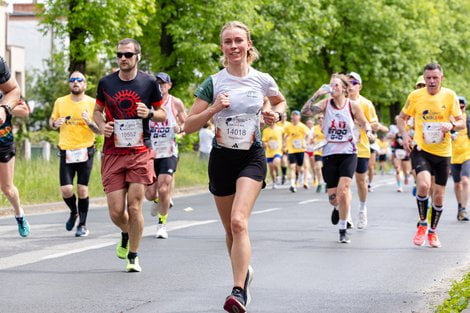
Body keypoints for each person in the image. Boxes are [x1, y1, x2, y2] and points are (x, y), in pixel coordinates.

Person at [184, 21, 286, 313]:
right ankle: (245, 273)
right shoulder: (213, 83)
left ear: (248, 44)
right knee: (230, 229)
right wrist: (214, 108)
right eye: (228, 42)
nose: (233, 46)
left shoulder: (262, 80)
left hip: (251, 157)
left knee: (240, 221)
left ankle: (238, 291)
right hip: (221, 160)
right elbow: (188, 126)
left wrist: (274, 116)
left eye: (238, 40)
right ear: (222, 48)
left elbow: (280, 103)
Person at [93, 38, 166, 272]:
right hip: (113, 151)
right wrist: (101, 125)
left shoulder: (148, 83)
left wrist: (150, 112)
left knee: (135, 207)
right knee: (116, 211)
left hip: (139, 151)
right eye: (119, 55)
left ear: (138, 57)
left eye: (128, 55)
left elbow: (163, 113)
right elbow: (97, 111)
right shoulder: (106, 83)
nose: (123, 59)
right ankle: (126, 232)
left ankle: (133, 255)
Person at [397, 63, 465, 248]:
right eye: (428, 78)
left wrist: (451, 126)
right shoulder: (415, 96)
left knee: (439, 196)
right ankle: (422, 224)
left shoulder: (450, 96)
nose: (432, 81)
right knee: (424, 185)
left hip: (443, 152)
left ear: (441, 77)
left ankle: (433, 232)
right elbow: (401, 118)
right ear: (424, 78)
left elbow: (461, 122)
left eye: (435, 77)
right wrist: (404, 135)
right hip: (421, 149)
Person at [302, 73, 373, 243]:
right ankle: (337, 208)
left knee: (344, 190)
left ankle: (343, 228)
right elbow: (305, 112)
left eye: (335, 86)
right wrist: (317, 94)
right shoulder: (326, 104)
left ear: (343, 89)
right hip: (329, 152)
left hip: (348, 152)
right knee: (334, 198)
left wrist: (369, 132)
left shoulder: (352, 105)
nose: (332, 88)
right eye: (330, 85)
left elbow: (365, 123)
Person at [50, 71, 100, 237]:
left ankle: (83, 225)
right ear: (69, 84)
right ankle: (74, 212)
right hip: (66, 149)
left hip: (86, 149)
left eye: (79, 80)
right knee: (66, 189)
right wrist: (55, 123)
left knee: (82, 189)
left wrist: (90, 122)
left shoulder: (93, 103)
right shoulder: (60, 102)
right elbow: (52, 122)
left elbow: (100, 130)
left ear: (85, 84)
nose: (76, 82)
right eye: (72, 80)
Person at [145, 72, 186, 239]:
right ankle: (158, 202)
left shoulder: (175, 103)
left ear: (169, 85)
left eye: (163, 83)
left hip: (169, 150)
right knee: (150, 194)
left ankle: (162, 225)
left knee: (163, 189)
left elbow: (186, 122)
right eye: (157, 84)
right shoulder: (147, 103)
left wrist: (180, 129)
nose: (160, 87)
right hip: (150, 152)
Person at [0, 56, 29, 237]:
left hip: (3, 139)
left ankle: (19, 213)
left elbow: (24, 110)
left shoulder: (6, 91)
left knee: (7, 188)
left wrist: (4, 108)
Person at [347, 72, 378, 229]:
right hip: (343, 149)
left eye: (354, 82)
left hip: (361, 148)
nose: (350, 85)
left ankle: (362, 208)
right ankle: (346, 214)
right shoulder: (340, 102)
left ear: (360, 86)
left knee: (360, 181)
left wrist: (364, 125)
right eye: (348, 82)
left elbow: (375, 124)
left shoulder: (366, 104)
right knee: (344, 183)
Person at [450, 96, 469, 221]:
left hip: (467, 154)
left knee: (465, 180)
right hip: (451, 155)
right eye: (458, 104)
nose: (460, 107)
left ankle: (464, 208)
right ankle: (459, 206)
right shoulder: (448, 118)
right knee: (457, 184)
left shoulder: (468, 118)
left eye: (462, 105)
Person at [283, 110, 309, 193]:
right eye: (293, 116)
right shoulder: (288, 127)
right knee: (292, 167)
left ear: (299, 117)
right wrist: (284, 143)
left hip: (300, 149)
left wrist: (306, 143)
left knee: (299, 167)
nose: (294, 117)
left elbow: (308, 135)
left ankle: (299, 176)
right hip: (291, 149)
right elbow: (285, 135)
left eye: (296, 116)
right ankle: (292, 184)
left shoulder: (302, 126)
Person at [262, 120, 283, 188]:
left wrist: (284, 144)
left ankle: (277, 175)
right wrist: (266, 144)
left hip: (278, 150)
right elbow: (264, 140)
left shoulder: (280, 129)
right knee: (271, 168)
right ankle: (274, 182)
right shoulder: (266, 130)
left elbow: (285, 136)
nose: (271, 122)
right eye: (269, 121)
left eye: (272, 120)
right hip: (269, 152)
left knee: (275, 162)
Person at [277, 112, 290, 184]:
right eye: (282, 116)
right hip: (279, 146)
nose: (283, 118)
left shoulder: (289, 124)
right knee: (282, 161)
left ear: (286, 117)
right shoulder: (277, 125)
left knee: (286, 161)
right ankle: (284, 175)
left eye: (284, 116)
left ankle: (294, 175)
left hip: (288, 146)